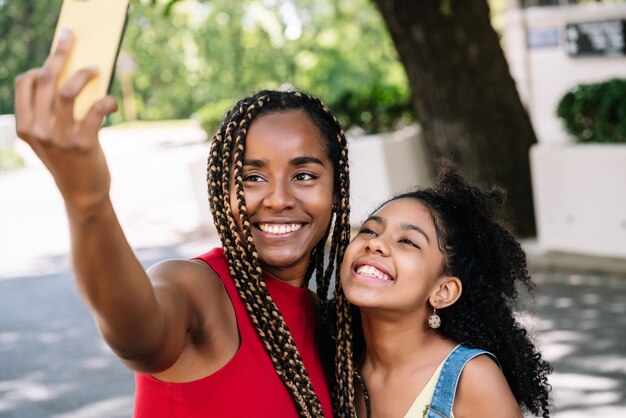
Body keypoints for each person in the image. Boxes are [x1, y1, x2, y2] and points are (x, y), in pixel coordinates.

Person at [14, 30, 356, 417]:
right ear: (221, 191)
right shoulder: (197, 289)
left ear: (337, 191)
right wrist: (88, 202)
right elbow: (137, 335)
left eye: (304, 175)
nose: (278, 199)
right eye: (252, 178)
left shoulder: (331, 325)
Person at [339, 162, 553, 418]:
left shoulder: (472, 378)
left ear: (444, 291)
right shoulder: (336, 366)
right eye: (369, 230)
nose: (375, 244)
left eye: (407, 241)